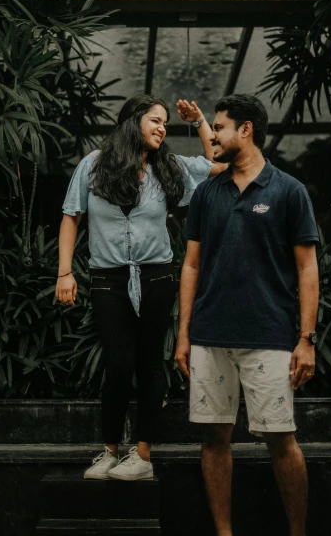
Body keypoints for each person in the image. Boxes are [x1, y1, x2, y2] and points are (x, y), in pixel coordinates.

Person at [56, 94, 226, 481]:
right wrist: (65, 273)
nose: (162, 127)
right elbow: (71, 217)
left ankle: (143, 455)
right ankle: (110, 451)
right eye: (155, 120)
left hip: (157, 276)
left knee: (150, 363)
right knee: (118, 364)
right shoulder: (94, 165)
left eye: (165, 122)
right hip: (107, 279)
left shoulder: (169, 166)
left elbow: (218, 164)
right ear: (132, 121)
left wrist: (200, 122)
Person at [175, 94, 319, 536]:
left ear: (246, 130)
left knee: (280, 439)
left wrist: (306, 339)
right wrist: (183, 334)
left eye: (218, 127)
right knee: (214, 439)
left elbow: (307, 268)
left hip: (270, 336)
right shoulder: (206, 193)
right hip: (210, 336)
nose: (212, 135)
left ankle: (297, 532)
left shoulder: (288, 190)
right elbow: (192, 265)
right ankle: (224, 533)